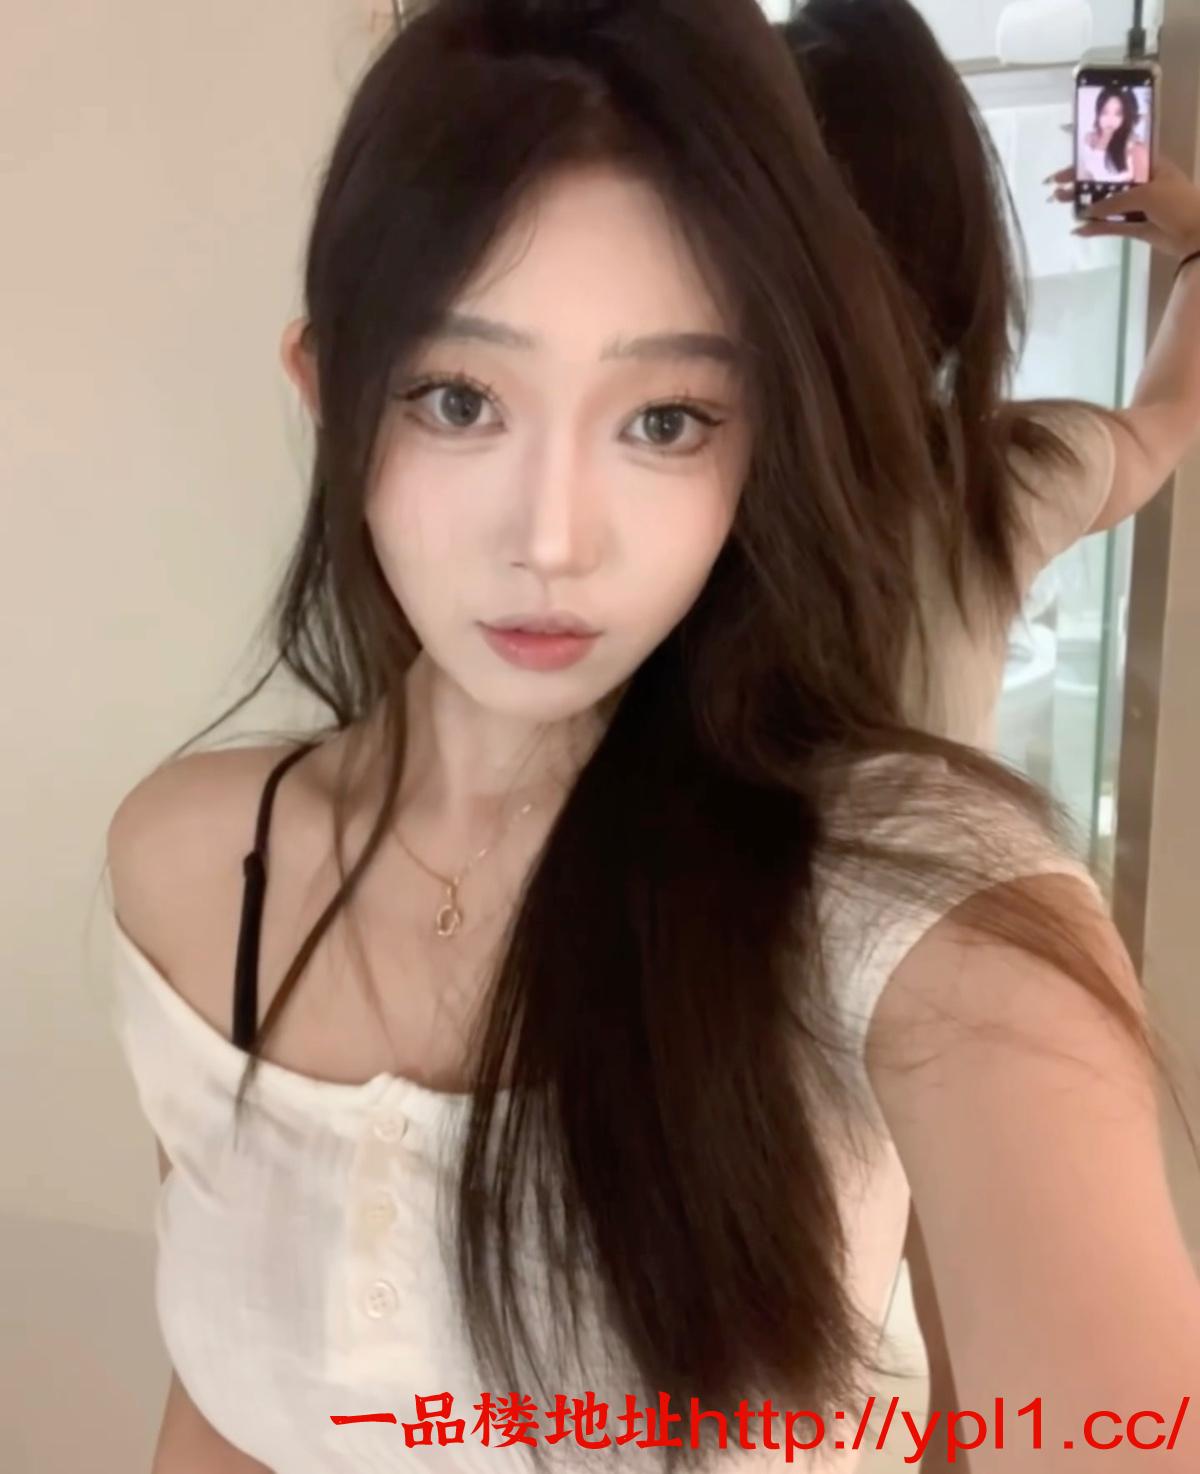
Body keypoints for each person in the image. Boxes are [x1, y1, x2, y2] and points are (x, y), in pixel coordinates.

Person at [105, 1, 1200, 1471]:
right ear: (328, 391)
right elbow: (223, 1407)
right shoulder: (191, 872)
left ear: (766, 437)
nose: (554, 540)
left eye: (668, 419)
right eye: (459, 398)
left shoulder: (938, 918)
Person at [782, 0, 1200, 1451]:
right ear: (960, 247)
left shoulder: (676, 484)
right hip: (909, 1009)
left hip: (705, 1025)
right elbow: (1163, 423)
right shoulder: (998, 480)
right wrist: (1195, 242)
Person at [1078, 85, 1152, 186]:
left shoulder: (1136, 150)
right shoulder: (1090, 139)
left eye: (1118, 114)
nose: (1110, 119)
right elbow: (1088, 175)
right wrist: (1104, 138)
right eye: (1104, 112)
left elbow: (1141, 190)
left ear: (1126, 117)